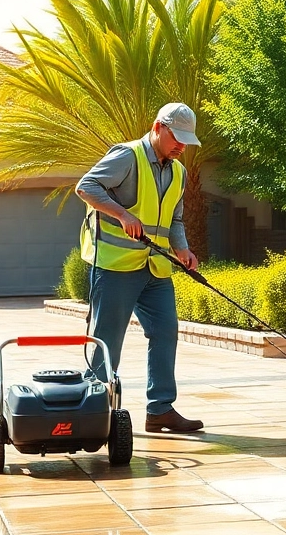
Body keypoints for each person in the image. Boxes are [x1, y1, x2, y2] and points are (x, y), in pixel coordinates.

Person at [75, 103, 205, 434]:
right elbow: (86, 187)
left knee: (165, 331)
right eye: (177, 138)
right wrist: (123, 214)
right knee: (107, 339)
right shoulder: (127, 156)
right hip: (116, 265)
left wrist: (183, 249)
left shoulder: (179, 172)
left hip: (156, 268)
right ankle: (95, 409)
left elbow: (174, 219)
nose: (181, 147)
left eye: (186, 142)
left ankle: (160, 409)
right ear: (158, 128)